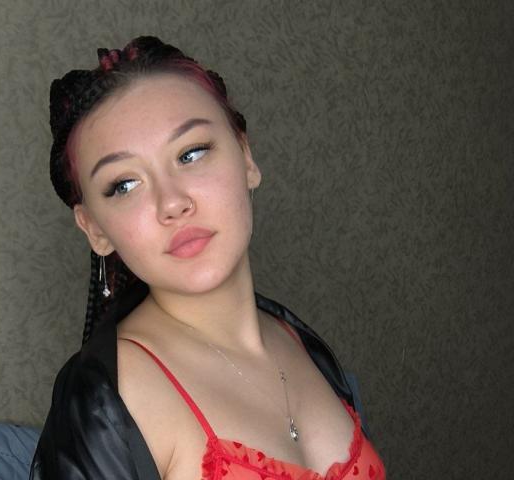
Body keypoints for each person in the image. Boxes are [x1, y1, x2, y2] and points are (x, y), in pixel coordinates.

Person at [30, 36, 385, 480]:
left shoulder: (298, 341)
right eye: (124, 185)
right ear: (94, 229)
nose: (172, 202)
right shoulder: (109, 397)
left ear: (246, 158)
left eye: (191, 154)